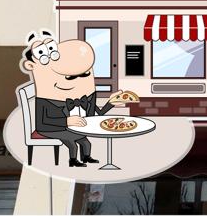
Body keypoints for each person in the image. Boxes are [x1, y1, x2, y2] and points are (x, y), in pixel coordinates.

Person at [20, 30, 130, 167]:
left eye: (85, 74)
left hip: (73, 126)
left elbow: (99, 113)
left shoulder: (86, 97)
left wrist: (112, 102)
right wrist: (67, 121)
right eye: (69, 77)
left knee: (85, 141)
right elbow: (43, 122)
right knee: (72, 142)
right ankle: (73, 161)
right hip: (50, 128)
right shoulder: (45, 100)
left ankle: (86, 157)